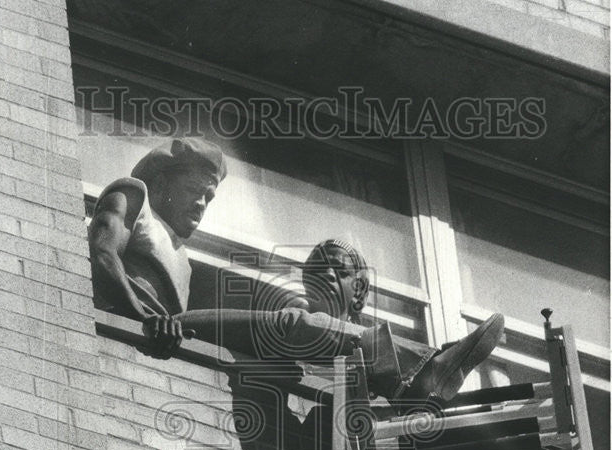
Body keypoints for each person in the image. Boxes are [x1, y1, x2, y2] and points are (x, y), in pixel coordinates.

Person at [89, 137, 504, 402]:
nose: (201, 204)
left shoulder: (178, 251)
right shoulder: (134, 196)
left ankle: (401, 380)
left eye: (209, 197)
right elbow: (104, 256)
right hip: (164, 324)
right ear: (163, 182)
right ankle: (423, 365)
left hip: (172, 327)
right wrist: (147, 319)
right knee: (290, 323)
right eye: (195, 191)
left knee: (289, 331)